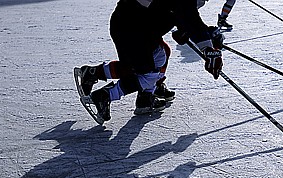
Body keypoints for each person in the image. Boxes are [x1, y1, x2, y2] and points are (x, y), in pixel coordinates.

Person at [77, 0, 224, 122]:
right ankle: (105, 95)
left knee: (160, 55)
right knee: (144, 73)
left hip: (140, 28)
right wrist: (207, 46)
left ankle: (146, 95)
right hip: (131, 28)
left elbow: (182, 13)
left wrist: (190, 30)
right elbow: (186, 12)